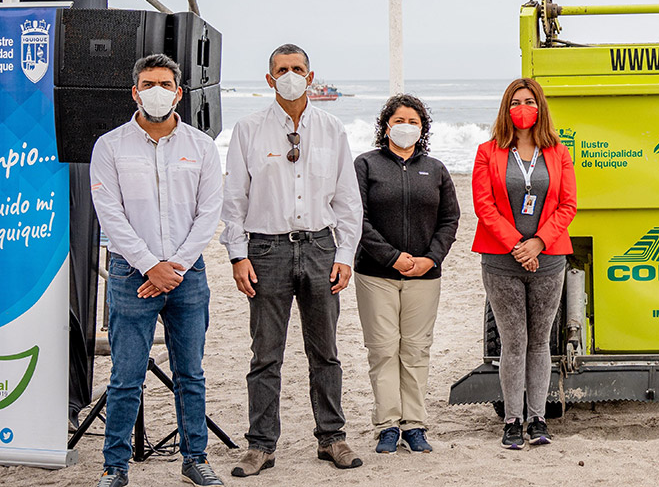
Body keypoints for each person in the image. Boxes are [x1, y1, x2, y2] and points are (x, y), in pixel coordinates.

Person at [221, 44, 364, 475]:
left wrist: (345, 254)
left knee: (326, 352)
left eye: (297, 68)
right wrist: (236, 255)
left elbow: (347, 199)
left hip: (321, 247)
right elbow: (233, 200)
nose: (290, 75)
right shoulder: (247, 129)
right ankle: (260, 445)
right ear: (269, 79)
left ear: (310, 74)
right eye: (281, 70)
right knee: (266, 354)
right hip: (266, 250)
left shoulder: (332, 128)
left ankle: (332, 438)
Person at [89, 55, 225, 487]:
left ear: (179, 92)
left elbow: (209, 214)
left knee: (191, 373)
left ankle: (195, 458)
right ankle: (115, 467)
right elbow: (109, 214)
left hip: (188, 276)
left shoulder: (201, 147)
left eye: (165, 84)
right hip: (132, 276)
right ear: (135, 91)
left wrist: (176, 266)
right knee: (126, 376)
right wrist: (151, 265)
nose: (157, 91)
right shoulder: (109, 146)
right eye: (149, 83)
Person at [471, 78, 577, 449]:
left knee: (540, 342)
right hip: (502, 261)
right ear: (506, 108)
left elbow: (568, 206)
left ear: (540, 107)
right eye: (516, 102)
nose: (523, 108)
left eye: (529, 101)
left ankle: (538, 418)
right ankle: (512, 420)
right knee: (513, 341)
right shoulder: (488, 152)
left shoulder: (558, 153)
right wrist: (518, 245)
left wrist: (538, 242)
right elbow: (484, 206)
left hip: (548, 260)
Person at [354, 94, 460, 455]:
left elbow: (449, 220)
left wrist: (430, 259)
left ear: (422, 128)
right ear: (386, 126)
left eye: (413, 121)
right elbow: (358, 219)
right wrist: (393, 257)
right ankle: (387, 425)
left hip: (425, 277)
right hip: (375, 274)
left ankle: (413, 424)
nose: (406, 127)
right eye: (399, 120)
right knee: (383, 350)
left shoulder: (437, 169)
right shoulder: (366, 165)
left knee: (415, 350)